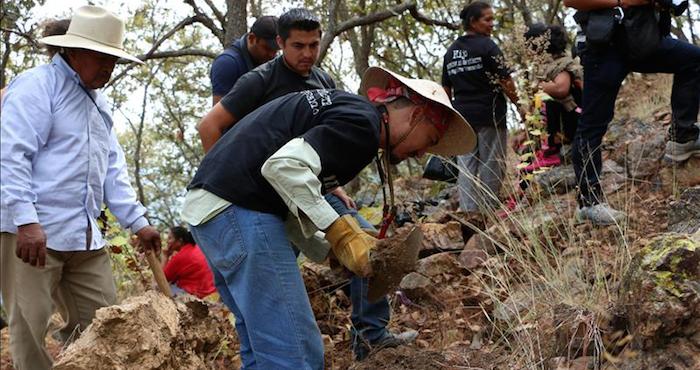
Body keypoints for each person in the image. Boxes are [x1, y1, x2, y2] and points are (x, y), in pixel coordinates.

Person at [181, 67, 476, 369]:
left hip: (210, 213)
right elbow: (283, 167)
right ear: (416, 117)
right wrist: (341, 232)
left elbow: (285, 192)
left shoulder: (346, 109)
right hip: (239, 210)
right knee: (296, 353)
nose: (421, 154)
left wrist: (329, 249)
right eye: (430, 139)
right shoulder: (364, 124)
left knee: (262, 346)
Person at [198, 8, 415, 360]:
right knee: (272, 305)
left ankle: (371, 335)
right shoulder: (260, 80)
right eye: (298, 46)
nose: (308, 54)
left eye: (314, 45)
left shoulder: (323, 81)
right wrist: (228, 182)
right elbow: (210, 127)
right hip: (259, 193)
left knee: (370, 248)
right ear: (280, 44)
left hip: (307, 187)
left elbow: (323, 145)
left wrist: (335, 188)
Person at [0, 6, 161, 370]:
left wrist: (139, 223)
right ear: (73, 52)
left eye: (114, 60)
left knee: (105, 323)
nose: (109, 68)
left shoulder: (99, 107)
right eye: (103, 58)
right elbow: (12, 156)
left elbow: (112, 172)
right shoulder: (37, 86)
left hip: (84, 237)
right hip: (33, 234)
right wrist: (26, 221)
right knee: (28, 327)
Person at [564, 0, 700, 225]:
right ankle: (589, 204)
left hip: (642, 39)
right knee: (593, 124)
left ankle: (683, 136)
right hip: (604, 46)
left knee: (693, 59)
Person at [442, 1, 522, 217]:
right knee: (492, 165)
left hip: (462, 119)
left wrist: (448, 117)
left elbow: (445, 89)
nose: (492, 24)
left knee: (466, 168)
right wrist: (520, 106)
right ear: (473, 22)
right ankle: (487, 213)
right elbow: (506, 81)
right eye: (487, 19)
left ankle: (469, 214)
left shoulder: (451, 52)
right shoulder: (488, 46)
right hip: (490, 116)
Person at [524, 23, 583, 168]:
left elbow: (561, 89)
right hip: (556, 124)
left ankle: (553, 149)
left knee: (548, 101)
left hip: (569, 118)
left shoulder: (561, 64)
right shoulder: (544, 69)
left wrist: (538, 87)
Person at [209, 15, 279, 106]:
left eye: (276, 50)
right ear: (252, 38)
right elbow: (218, 117)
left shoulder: (272, 61)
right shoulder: (227, 63)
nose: (272, 54)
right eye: (267, 48)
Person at [163, 226, 216, 298]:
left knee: (159, 291)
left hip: (194, 294)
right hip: (210, 291)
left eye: (170, 238)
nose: (167, 241)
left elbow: (162, 279)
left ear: (180, 241)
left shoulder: (180, 256)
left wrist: (165, 257)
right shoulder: (197, 247)